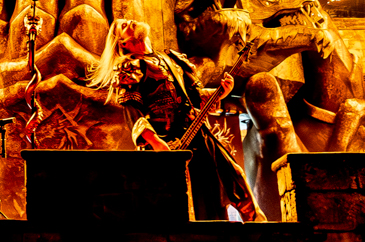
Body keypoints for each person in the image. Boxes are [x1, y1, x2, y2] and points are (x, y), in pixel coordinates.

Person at [88, 18, 266, 222]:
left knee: (231, 176)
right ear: (123, 43)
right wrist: (156, 143)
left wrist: (223, 92)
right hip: (167, 140)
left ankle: (257, 225)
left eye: (129, 20)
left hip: (198, 130)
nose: (130, 21)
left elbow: (195, 96)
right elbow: (132, 110)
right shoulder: (129, 67)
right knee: (191, 191)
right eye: (124, 26)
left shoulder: (171, 59)